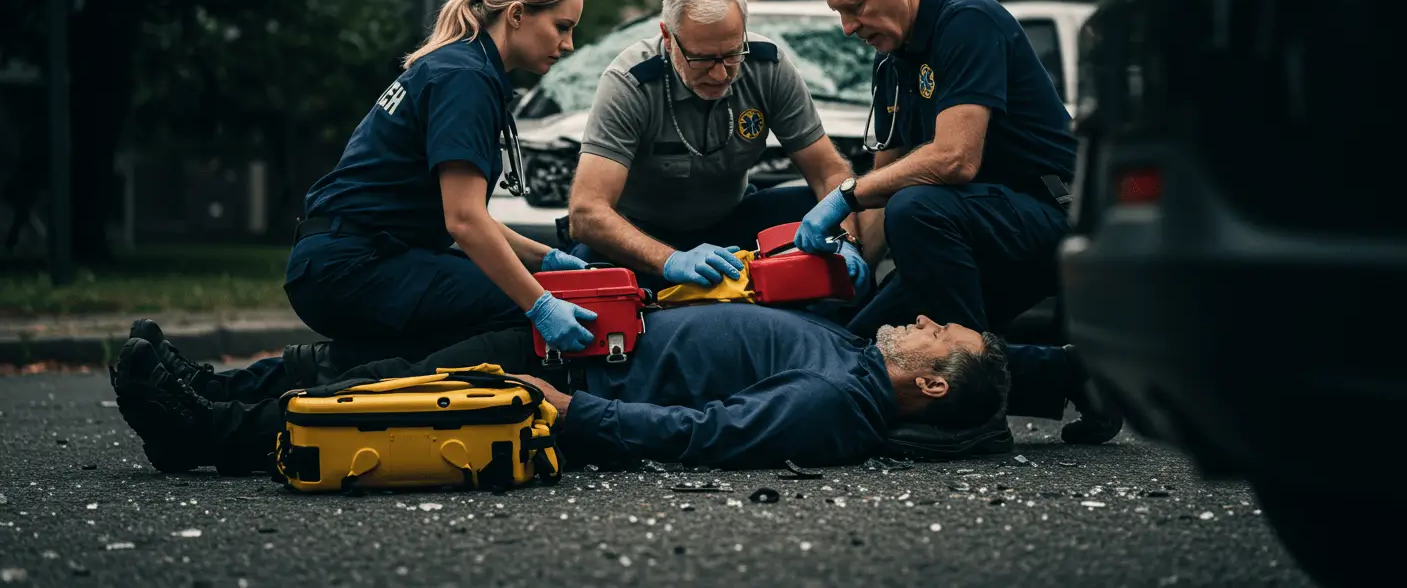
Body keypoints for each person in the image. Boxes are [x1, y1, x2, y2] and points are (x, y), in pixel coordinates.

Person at [793, 0, 1121, 446]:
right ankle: (1073, 375)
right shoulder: (892, 61)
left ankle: (976, 417)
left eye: (854, 7)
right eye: (839, 13)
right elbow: (885, 185)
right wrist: (854, 259)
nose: (848, 27)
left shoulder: (968, 21)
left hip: (1051, 218)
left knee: (918, 208)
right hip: (974, 228)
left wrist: (843, 194)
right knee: (857, 348)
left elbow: (954, 160)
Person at [105, 305, 1045, 474]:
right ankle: (210, 389)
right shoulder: (850, 356)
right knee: (366, 366)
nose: (922, 320)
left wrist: (573, 413)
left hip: (574, 377)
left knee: (383, 401)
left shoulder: (843, 405)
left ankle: (201, 432)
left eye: (937, 335)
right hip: (589, 337)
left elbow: (705, 432)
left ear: (929, 379)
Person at [281, 0, 604, 361]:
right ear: (518, 14)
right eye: (562, 26)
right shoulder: (465, 79)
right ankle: (357, 390)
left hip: (341, 262)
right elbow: (465, 222)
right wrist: (538, 304)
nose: (569, 43)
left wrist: (548, 260)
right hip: (352, 266)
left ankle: (301, 377)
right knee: (515, 312)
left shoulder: (463, 66)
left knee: (500, 297)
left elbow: (467, 216)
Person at [566, 0, 869, 297]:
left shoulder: (768, 66)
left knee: (834, 204)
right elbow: (586, 213)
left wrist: (846, 241)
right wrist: (670, 260)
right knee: (589, 275)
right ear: (668, 37)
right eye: (703, 59)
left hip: (732, 220)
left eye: (731, 54)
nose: (721, 73)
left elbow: (827, 173)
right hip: (643, 236)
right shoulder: (631, 83)